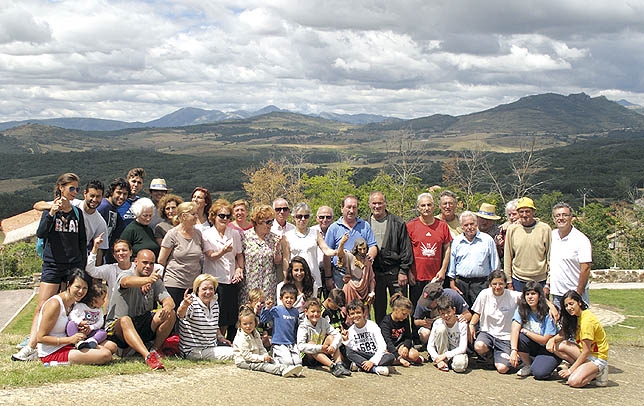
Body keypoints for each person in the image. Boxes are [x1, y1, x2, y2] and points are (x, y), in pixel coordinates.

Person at [13, 173, 87, 361]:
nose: (75, 192)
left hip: (72, 265)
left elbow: (82, 240)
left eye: (77, 189)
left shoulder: (77, 212)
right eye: (71, 188)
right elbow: (41, 232)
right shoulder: (50, 209)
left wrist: (81, 267)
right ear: (61, 188)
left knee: (68, 306)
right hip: (53, 263)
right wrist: (52, 212)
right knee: (43, 305)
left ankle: (60, 342)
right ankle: (31, 346)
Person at [105, 249, 176, 370]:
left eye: (151, 263)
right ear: (135, 262)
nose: (148, 266)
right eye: (145, 262)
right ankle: (148, 357)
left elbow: (169, 301)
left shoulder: (154, 280)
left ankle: (155, 350)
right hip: (118, 329)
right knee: (125, 320)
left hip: (141, 323)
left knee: (170, 313)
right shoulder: (126, 274)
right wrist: (147, 280)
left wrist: (167, 308)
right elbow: (126, 282)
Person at [36, 269, 115, 365]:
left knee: (112, 346)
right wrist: (69, 340)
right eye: (77, 287)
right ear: (69, 285)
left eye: (85, 288)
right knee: (105, 355)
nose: (81, 291)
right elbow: (40, 338)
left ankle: (84, 349)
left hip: (71, 343)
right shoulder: (55, 304)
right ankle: (56, 363)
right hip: (54, 350)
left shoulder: (74, 303)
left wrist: (81, 328)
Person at [33, 178, 109, 261]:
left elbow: (100, 251)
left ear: (102, 197)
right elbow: (37, 205)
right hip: (54, 257)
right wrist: (53, 207)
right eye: (92, 195)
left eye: (98, 197)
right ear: (85, 194)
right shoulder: (71, 204)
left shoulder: (100, 222)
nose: (94, 200)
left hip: (75, 259)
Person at [367, 191, 413, 324]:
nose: (377, 206)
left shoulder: (397, 222)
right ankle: (383, 336)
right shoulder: (364, 223)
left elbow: (406, 248)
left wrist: (404, 271)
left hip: (395, 272)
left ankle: (403, 337)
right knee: (379, 308)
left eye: (380, 203)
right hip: (375, 273)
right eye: (374, 203)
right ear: (370, 204)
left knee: (401, 306)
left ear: (385, 204)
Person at [547, 290, 609, 387]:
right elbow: (563, 333)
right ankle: (583, 369)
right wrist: (552, 340)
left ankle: (599, 371)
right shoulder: (576, 316)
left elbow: (586, 351)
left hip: (596, 357)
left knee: (573, 381)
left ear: (579, 302)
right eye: (566, 305)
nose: (569, 308)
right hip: (585, 353)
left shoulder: (587, 321)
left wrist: (570, 370)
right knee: (558, 346)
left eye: (571, 304)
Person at [202, 199, 244, 339]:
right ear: (213, 216)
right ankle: (214, 339)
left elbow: (239, 255)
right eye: (221, 215)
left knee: (227, 314)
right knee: (215, 311)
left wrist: (240, 269)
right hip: (214, 278)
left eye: (227, 216)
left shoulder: (235, 234)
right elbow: (210, 256)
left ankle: (224, 340)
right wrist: (223, 251)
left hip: (230, 278)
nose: (225, 219)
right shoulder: (207, 234)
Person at [469, 270, 522, 374]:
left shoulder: (513, 296)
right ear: (490, 284)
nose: (497, 287)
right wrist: (471, 324)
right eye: (494, 284)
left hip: (505, 336)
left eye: (501, 284)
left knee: (502, 369)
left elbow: (533, 295)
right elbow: (477, 313)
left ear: (505, 284)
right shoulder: (484, 294)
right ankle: (491, 357)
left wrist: (550, 305)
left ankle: (509, 359)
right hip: (487, 333)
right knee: (479, 346)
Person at [158, 201, 208, 309]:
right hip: (174, 283)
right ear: (184, 216)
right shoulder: (172, 234)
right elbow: (161, 260)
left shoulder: (198, 234)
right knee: (174, 316)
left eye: (196, 213)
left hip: (193, 284)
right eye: (193, 214)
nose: (196, 216)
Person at [406, 192, 452, 309]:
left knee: (436, 309)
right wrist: (409, 271)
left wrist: (443, 270)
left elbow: (447, 249)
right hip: (416, 277)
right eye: (423, 205)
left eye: (429, 205)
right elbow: (407, 250)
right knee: (417, 309)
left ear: (434, 206)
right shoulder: (411, 226)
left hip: (435, 277)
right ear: (418, 208)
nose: (426, 208)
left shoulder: (442, 226)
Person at [324, 195, 378, 290]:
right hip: (340, 275)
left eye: (354, 207)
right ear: (342, 209)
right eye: (348, 207)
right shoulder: (334, 228)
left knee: (360, 304)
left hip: (360, 273)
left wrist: (370, 256)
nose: (351, 210)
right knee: (341, 304)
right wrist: (328, 277)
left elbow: (373, 246)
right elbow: (326, 254)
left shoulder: (365, 226)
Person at [232, 305, 302, 377]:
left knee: (272, 361)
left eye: (251, 323)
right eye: (245, 324)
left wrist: (266, 355)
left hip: (255, 357)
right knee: (263, 366)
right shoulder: (241, 337)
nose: (248, 326)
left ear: (255, 323)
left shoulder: (255, 333)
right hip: (243, 361)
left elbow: (261, 348)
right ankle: (281, 371)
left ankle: (288, 368)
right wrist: (262, 358)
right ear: (240, 324)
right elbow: (247, 356)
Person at [448, 211, 500, 307]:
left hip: (481, 283)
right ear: (461, 227)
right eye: (466, 225)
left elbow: (495, 264)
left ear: (476, 224)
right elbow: (452, 263)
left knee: (481, 312)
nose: (469, 227)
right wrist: (452, 282)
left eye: (472, 224)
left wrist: (493, 283)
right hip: (461, 284)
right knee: (463, 314)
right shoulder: (456, 241)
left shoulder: (487, 240)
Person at [177, 274, 234, 361]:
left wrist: (221, 337)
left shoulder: (214, 303)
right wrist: (184, 305)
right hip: (194, 351)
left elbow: (214, 325)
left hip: (211, 346)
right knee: (235, 353)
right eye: (204, 289)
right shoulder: (191, 303)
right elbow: (180, 314)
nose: (208, 292)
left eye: (211, 289)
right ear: (197, 290)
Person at [510, 281, 560, 379]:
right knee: (519, 337)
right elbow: (514, 330)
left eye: (533, 294)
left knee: (539, 374)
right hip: (534, 345)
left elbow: (545, 339)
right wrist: (513, 351)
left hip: (548, 348)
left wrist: (526, 332)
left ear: (539, 295)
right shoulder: (521, 309)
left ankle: (548, 364)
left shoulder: (548, 312)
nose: (530, 297)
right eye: (527, 294)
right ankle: (528, 365)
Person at [283, 202, 336, 290]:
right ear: (293, 217)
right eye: (299, 216)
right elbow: (285, 262)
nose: (302, 219)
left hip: (313, 279)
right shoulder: (287, 236)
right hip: (295, 280)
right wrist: (286, 281)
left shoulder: (315, 233)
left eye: (306, 216)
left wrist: (338, 250)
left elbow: (326, 250)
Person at [549, 202, 592, 308]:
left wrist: (578, 294)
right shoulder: (551, 236)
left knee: (578, 324)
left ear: (571, 217)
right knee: (559, 324)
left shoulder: (581, 239)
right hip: (557, 295)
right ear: (554, 219)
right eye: (557, 215)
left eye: (565, 215)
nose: (561, 218)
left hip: (575, 294)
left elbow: (585, 268)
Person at [504, 196, 551, 293]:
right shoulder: (512, 229)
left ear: (533, 212)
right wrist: (509, 282)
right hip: (518, 280)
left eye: (527, 211)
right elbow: (508, 257)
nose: (524, 215)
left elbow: (550, 256)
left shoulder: (545, 229)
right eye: (521, 212)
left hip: (540, 280)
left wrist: (548, 283)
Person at [239, 205, 285, 304]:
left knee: (267, 315)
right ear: (258, 222)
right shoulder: (244, 237)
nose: (271, 225)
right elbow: (239, 257)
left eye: (272, 221)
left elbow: (277, 262)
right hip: (249, 285)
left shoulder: (274, 238)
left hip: (267, 286)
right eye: (268, 222)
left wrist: (277, 248)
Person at [297, 297, 351, 377]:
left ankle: (339, 364)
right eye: (313, 311)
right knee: (311, 343)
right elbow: (300, 346)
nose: (316, 314)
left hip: (322, 353)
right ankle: (333, 366)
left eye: (318, 311)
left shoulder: (323, 322)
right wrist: (320, 348)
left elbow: (338, 335)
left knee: (331, 338)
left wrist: (333, 346)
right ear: (306, 312)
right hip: (309, 357)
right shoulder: (303, 326)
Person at [341, 299, 394, 376]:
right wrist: (346, 340)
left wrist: (372, 361)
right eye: (352, 314)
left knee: (390, 357)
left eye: (358, 312)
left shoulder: (372, 326)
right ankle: (375, 369)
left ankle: (360, 366)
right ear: (348, 316)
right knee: (348, 353)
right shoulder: (351, 330)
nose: (355, 316)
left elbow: (382, 346)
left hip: (374, 354)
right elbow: (354, 349)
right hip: (362, 354)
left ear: (364, 313)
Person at [260, 283, 302, 368]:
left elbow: (296, 328)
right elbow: (264, 319)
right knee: (287, 362)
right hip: (279, 342)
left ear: (295, 299)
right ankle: (274, 355)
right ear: (281, 298)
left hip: (291, 343)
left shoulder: (295, 312)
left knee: (298, 362)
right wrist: (267, 308)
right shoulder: (277, 309)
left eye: (292, 298)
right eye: (286, 297)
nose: (289, 300)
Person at [85, 237, 134, 309]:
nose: (121, 253)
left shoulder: (138, 267)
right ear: (114, 255)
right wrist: (95, 248)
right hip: (115, 312)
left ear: (131, 252)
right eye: (117, 251)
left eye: (124, 250)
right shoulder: (110, 269)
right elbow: (90, 270)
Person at [380, 292, 423, 367]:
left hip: (400, 345)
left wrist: (406, 346)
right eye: (404, 314)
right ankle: (400, 360)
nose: (406, 317)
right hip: (389, 347)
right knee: (388, 358)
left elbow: (408, 337)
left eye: (407, 315)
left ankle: (402, 360)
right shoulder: (386, 322)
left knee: (414, 355)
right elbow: (388, 341)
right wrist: (399, 357)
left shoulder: (404, 320)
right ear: (396, 309)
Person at [427, 295, 468, 373]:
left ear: (454, 310)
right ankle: (443, 362)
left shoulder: (461, 323)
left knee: (459, 366)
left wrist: (446, 355)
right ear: (439, 313)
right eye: (442, 313)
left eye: (448, 312)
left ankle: (449, 362)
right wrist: (437, 358)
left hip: (456, 353)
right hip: (441, 353)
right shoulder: (437, 323)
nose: (446, 316)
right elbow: (430, 346)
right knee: (441, 329)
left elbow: (463, 348)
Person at [337, 235, 375, 320]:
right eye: (360, 249)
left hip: (364, 291)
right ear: (356, 248)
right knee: (351, 314)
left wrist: (372, 292)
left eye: (364, 249)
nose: (362, 251)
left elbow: (371, 278)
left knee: (364, 316)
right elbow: (340, 254)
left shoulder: (367, 261)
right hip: (351, 289)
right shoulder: (350, 257)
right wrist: (342, 243)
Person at [66, 282, 109, 350]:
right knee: (70, 324)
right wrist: (80, 322)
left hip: (91, 332)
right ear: (94, 299)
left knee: (103, 333)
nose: (104, 301)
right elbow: (71, 315)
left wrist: (91, 327)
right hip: (79, 330)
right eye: (102, 299)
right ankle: (78, 341)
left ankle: (92, 341)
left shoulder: (99, 310)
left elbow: (101, 322)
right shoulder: (81, 306)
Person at [97, 177, 129, 263]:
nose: (121, 197)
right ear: (111, 192)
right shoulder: (103, 207)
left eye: (125, 194)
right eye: (118, 192)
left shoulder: (114, 210)